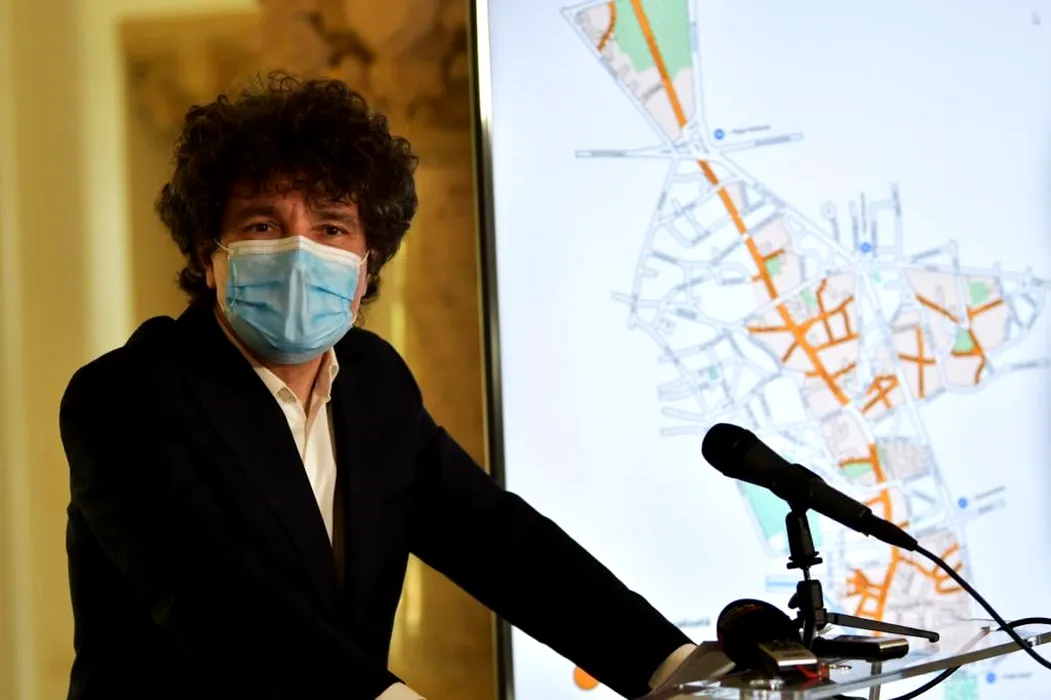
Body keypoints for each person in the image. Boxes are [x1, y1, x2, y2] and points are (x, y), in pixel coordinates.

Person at [59, 73, 695, 700]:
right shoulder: (123, 397)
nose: (300, 253)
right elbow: (217, 603)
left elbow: (501, 543)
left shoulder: (373, 382)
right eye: (262, 226)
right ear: (208, 254)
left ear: (368, 265)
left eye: (332, 228)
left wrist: (674, 668)